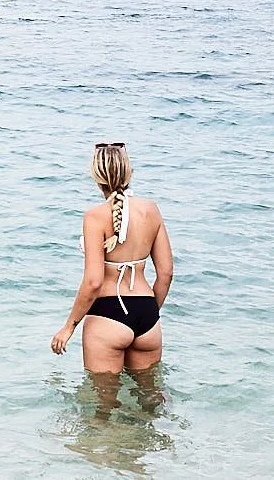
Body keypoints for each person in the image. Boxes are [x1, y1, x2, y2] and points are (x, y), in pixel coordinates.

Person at [50, 142, 173, 373]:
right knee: (151, 404)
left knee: (101, 406)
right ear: (129, 172)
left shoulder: (95, 217)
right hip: (147, 315)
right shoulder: (152, 210)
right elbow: (166, 274)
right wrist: (148, 314)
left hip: (108, 314)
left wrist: (68, 327)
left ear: (97, 177)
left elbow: (94, 282)